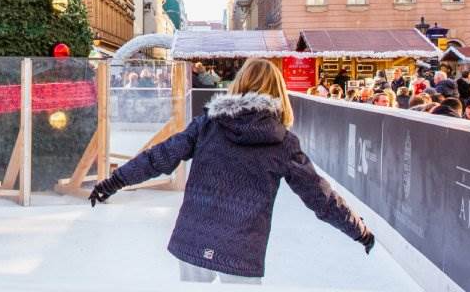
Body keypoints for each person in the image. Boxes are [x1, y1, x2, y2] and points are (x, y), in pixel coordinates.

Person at [88, 58, 374, 283]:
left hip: (194, 239)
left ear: (239, 84)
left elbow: (159, 157)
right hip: (242, 249)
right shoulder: (283, 142)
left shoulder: (208, 124)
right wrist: (358, 230)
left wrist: (113, 181)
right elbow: (319, 195)